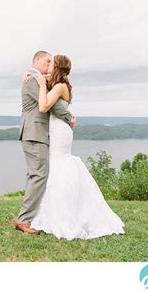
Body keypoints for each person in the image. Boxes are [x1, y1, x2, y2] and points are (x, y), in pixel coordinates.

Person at [27, 54, 125, 240]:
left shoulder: (60, 86)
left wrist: (40, 84)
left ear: (58, 67)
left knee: (59, 164)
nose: (49, 66)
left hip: (60, 132)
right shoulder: (58, 83)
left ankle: (64, 215)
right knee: (54, 166)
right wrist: (29, 72)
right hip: (57, 128)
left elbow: (44, 106)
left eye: (52, 63)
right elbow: (39, 75)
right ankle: (50, 211)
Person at [16, 50, 76, 234]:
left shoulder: (37, 78)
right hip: (34, 133)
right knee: (39, 176)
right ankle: (24, 220)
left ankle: (29, 217)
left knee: (35, 175)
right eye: (47, 62)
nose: (50, 65)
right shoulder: (34, 80)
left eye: (52, 63)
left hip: (38, 134)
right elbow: (53, 105)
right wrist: (70, 117)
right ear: (38, 60)